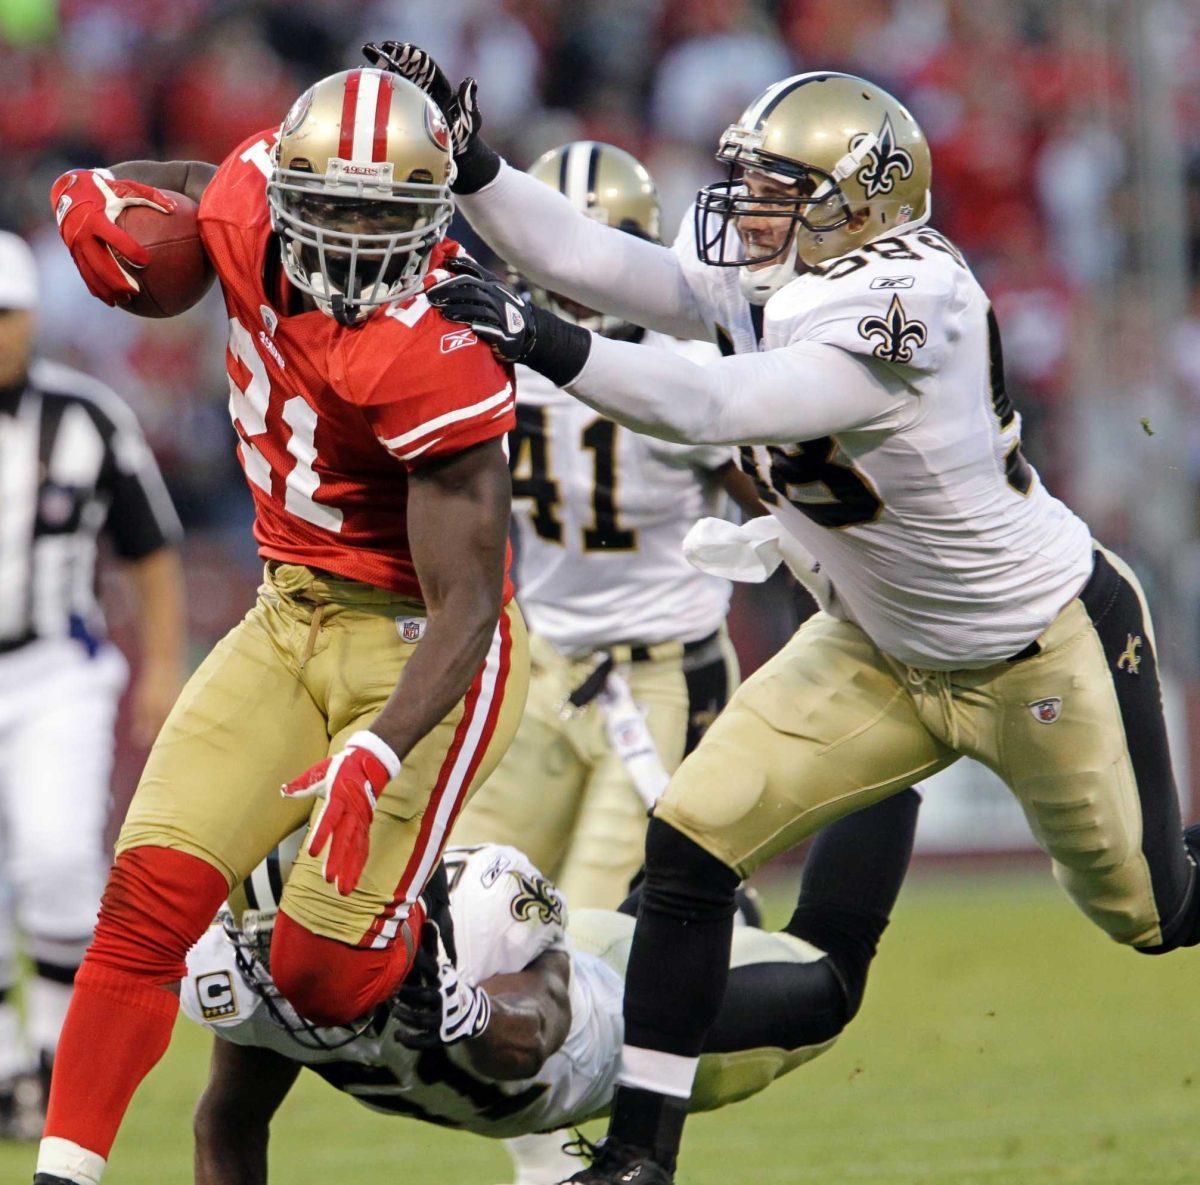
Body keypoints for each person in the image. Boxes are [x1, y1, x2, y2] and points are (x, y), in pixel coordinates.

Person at [380, 45, 1200, 1183]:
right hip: (874, 647)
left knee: (1154, 908)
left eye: (780, 190)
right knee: (693, 838)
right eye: (751, 182)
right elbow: (595, 259)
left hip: (1036, 646)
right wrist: (476, 167)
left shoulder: (919, 301)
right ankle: (639, 1154)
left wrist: (547, 344)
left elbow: (721, 405)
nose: (749, 210)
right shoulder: (788, 270)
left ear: (860, 202)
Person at [36, 66, 530, 1185]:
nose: (356, 240)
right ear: (289, 192)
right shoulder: (249, 198)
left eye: (385, 214)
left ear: (433, 215)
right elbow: (192, 187)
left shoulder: (442, 342)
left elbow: (468, 606)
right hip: (286, 609)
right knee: (144, 905)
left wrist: (377, 742)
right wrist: (95, 190)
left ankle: (438, 937)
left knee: (319, 978)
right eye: (335, 208)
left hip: (419, 647)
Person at [184, 787, 920, 1185]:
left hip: (624, 1028)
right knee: (671, 913)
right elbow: (229, 1121)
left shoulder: (474, 903)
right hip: (580, 979)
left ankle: (891, 761)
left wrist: (467, 1011)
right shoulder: (248, 970)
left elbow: (537, 1031)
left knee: (826, 981)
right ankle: (710, 910)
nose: (307, 961)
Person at [453, 141, 758, 911]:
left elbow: (774, 496)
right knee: (462, 902)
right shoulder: (490, 356)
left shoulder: (682, 367)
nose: (576, 289)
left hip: (662, 673)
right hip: (545, 663)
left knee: (597, 940)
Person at [0, 231, 185, 1141]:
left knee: (60, 858)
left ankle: (46, 1055)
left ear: (33, 319)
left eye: (4, 315)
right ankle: (8, 1067)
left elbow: (150, 547)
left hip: (54, 669)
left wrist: (163, 663)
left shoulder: (86, 414)